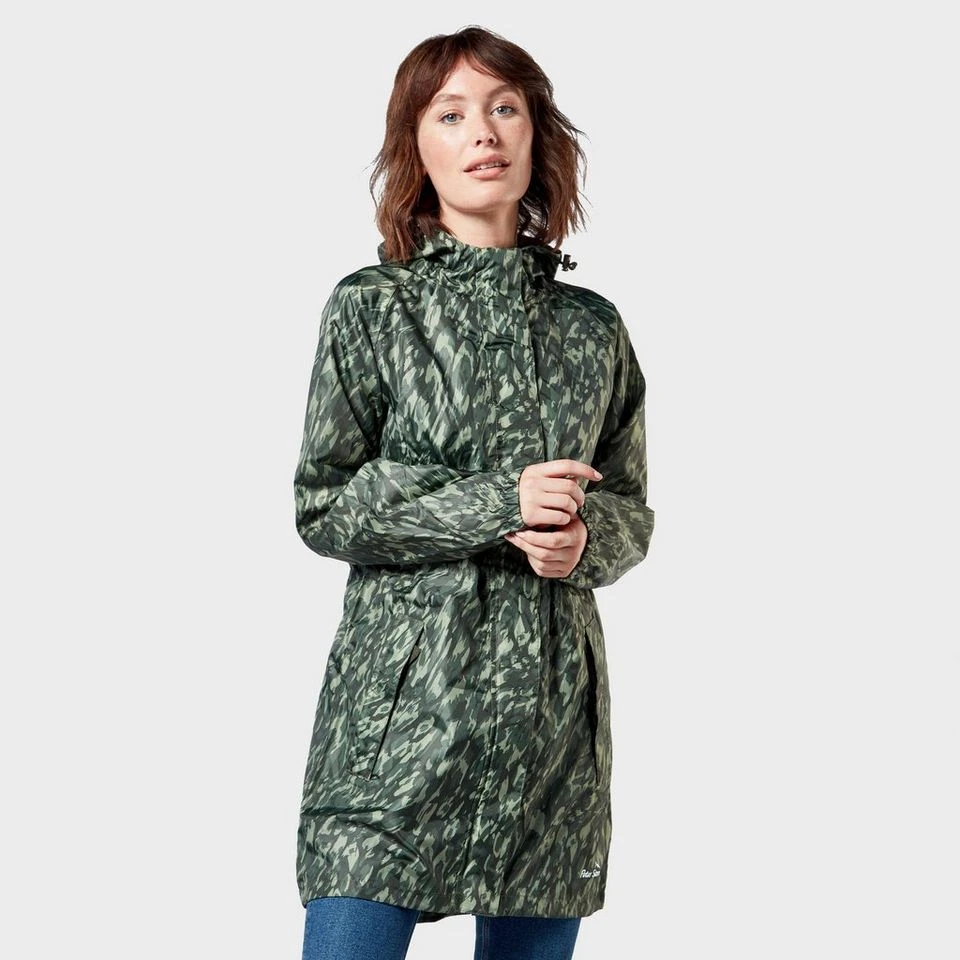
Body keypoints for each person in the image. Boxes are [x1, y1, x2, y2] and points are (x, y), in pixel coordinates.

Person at [293, 25, 655, 960]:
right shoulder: (373, 308)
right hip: (393, 738)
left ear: (537, 134)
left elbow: (631, 510)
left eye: (504, 108)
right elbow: (327, 503)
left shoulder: (593, 329)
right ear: (416, 146)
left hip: (550, 742)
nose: (483, 132)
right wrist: (501, 502)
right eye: (450, 114)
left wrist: (585, 542)